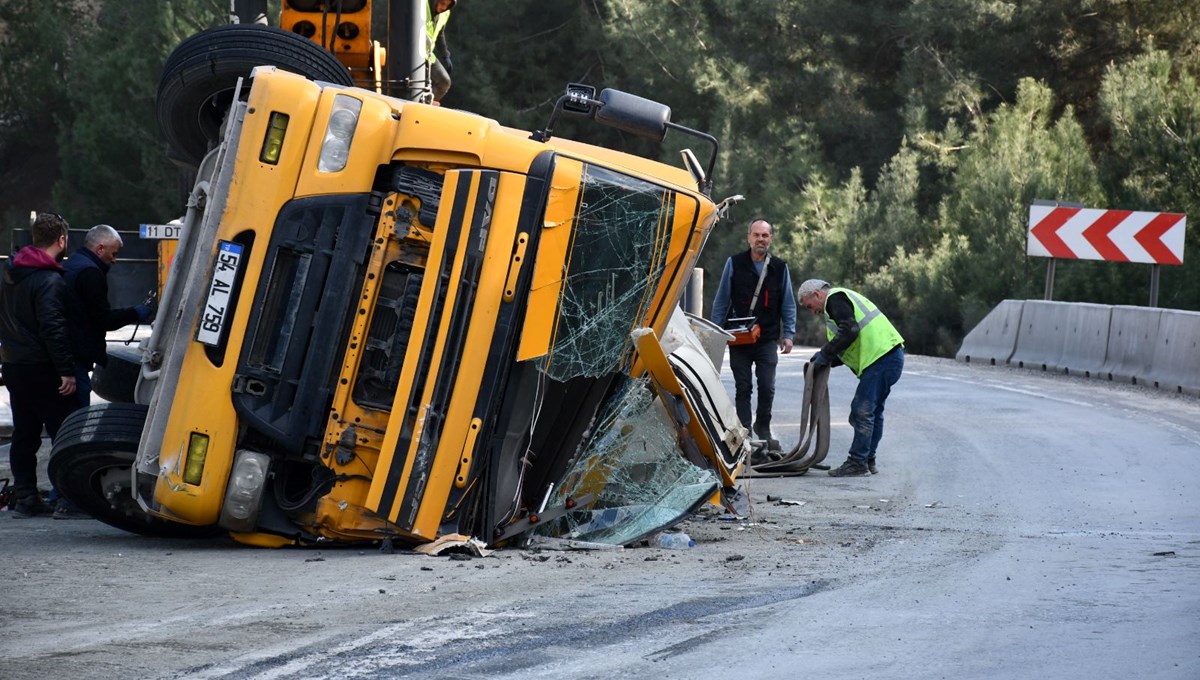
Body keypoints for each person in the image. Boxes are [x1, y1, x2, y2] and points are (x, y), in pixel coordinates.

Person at [0, 212, 77, 517]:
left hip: (14, 365)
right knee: (64, 433)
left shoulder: (10, 274)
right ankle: (69, 499)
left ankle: (25, 496)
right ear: (61, 240)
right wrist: (66, 370)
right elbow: (53, 328)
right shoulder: (49, 280)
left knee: (25, 433)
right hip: (43, 367)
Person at [797, 279, 904, 477]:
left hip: (881, 358)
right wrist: (826, 360)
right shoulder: (837, 305)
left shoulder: (835, 299)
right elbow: (848, 344)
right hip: (888, 356)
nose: (812, 311)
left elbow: (850, 331)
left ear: (818, 295)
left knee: (861, 411)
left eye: (810, 305)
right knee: (872, 411)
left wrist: (825, 353)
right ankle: (867, 459)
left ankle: (857, 462)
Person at [710, 218, 796, 449]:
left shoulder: (780, 267)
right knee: (743, 386)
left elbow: (788, 303)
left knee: (767, 386)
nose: (760, 239)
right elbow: (721, 300)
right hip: (740, 338)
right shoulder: (734, 263)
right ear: (749, 237)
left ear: (771, 239)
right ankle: (745, 429)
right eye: (756, 235)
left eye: (765, 235)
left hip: (767, 338)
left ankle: (763, 425)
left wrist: (788, 333)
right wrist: (715, 333)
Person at [62, 224, 154, 409]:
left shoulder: (71, 264)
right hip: (76, 356)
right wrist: (135, 312)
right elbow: (102, 319)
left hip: (64, 354)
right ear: (100, 249)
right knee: (75, 418)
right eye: (114, 253)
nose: (115, 260)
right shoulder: (91, 273)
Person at [427, 0, 456, 102]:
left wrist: (445, 55)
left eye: (447, 5)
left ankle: (424, 105)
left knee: (444, 82)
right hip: (412, 53)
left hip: (428, 55)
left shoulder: (445, 13)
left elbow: (439, 34)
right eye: (442, 3)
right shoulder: (422, 5)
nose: (444, 7)